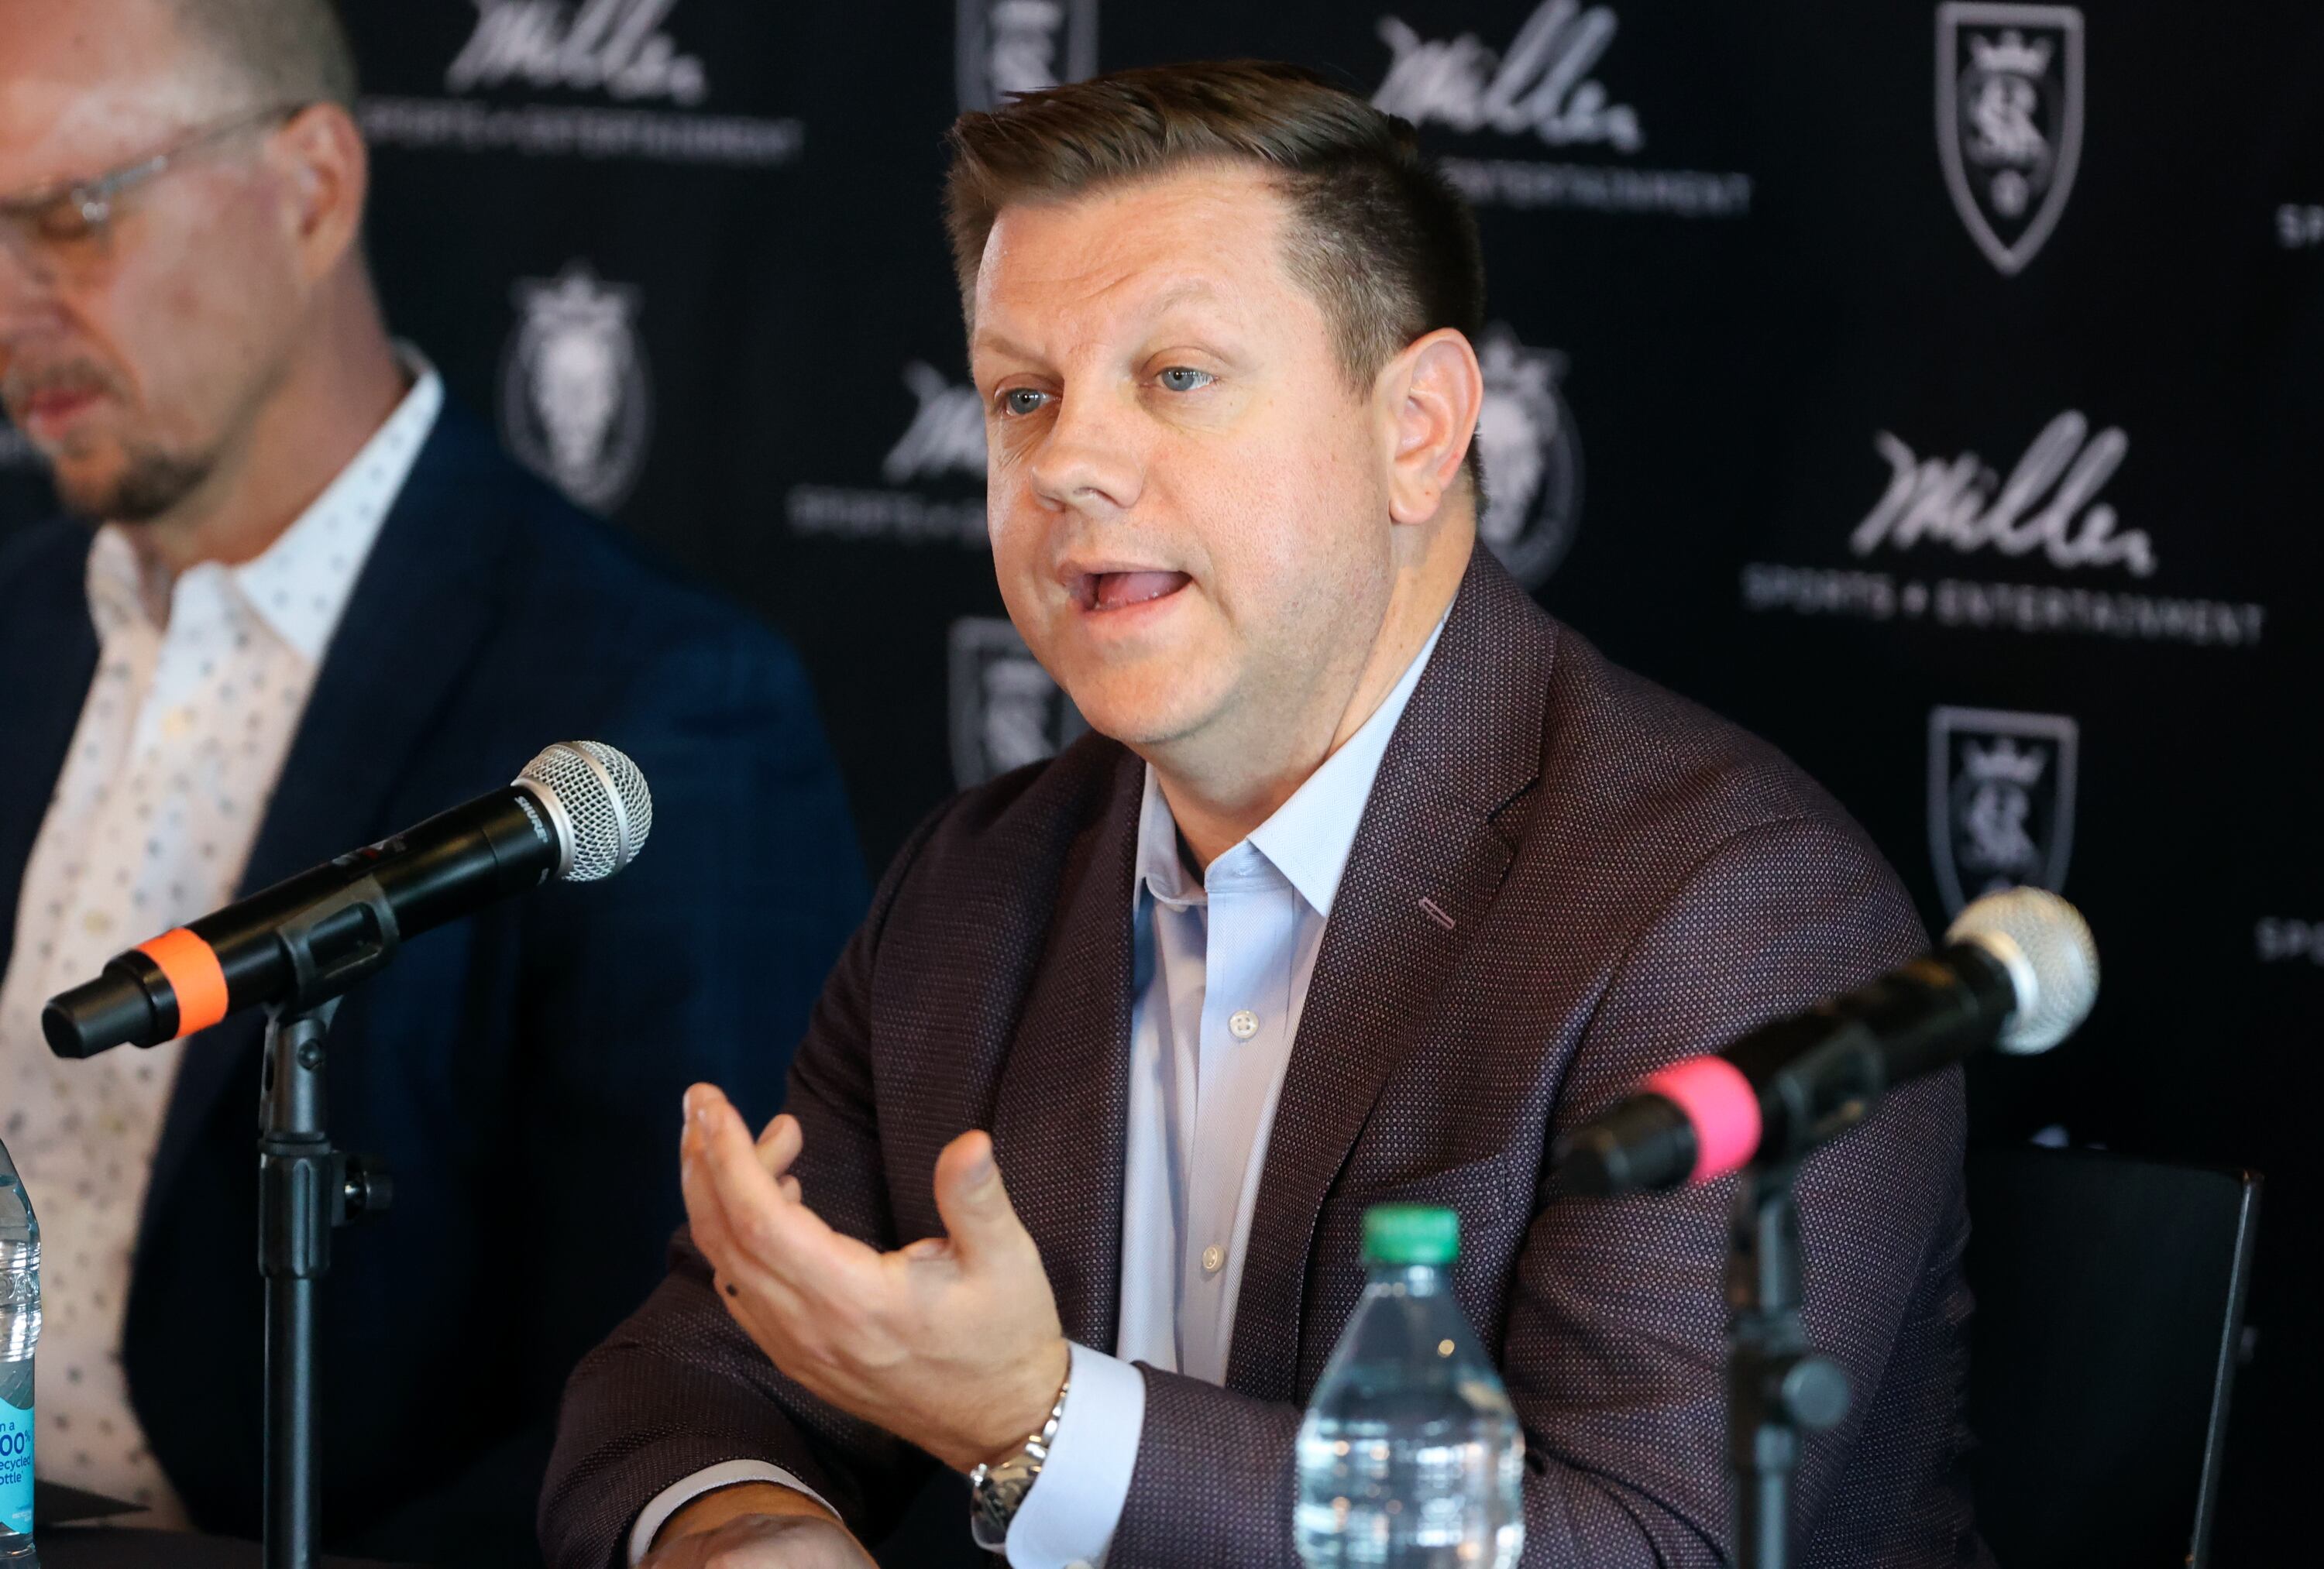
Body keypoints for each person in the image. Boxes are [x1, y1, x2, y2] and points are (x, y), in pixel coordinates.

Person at [542, 61, 1987, 1569]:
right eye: (1021, 395)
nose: (1067, 465)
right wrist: (747, 1533)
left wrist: (1045, 1419)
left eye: (1176, 376)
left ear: (1417, 428)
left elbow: (1638, 1539)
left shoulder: (1727, 908)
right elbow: (687, 1377)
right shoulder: (978, 887)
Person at [0, 0, 866, 1562]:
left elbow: (693, 1382)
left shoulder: (655, 699)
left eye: (68, 217)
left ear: (313, 188)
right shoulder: (14, 620)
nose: (7, 302)